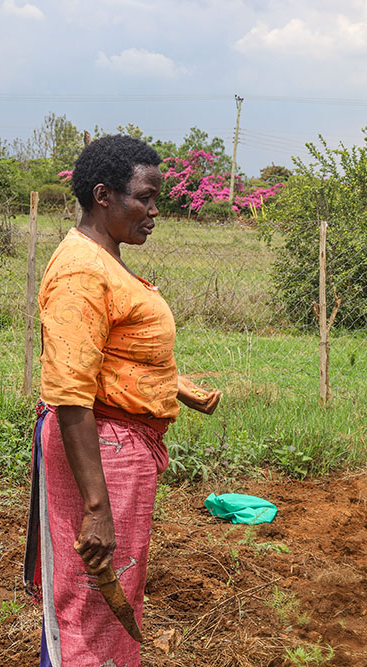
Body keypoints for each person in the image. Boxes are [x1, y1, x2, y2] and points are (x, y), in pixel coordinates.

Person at [24, 134, 222, 667]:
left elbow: (106, 355)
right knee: (94, 598)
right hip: (101, 454)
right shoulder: (81, 272)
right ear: (103, 194)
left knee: (111, 595)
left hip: (118, 447)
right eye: (146, 197)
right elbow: (70, 395)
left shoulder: (104, 259)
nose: (155, 211)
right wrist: (96, 508)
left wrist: (173, 386)